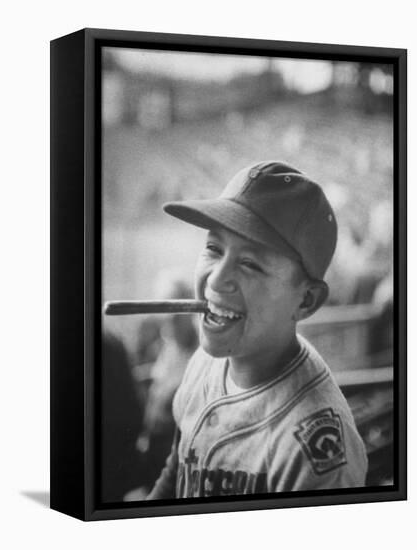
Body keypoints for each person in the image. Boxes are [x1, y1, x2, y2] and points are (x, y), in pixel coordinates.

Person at [147, 160, 368, 499]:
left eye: (250, 264)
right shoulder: (204, 363)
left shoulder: (317, 449)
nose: (217, 278)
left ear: (306, 300)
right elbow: (176, 471)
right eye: (213, 249)